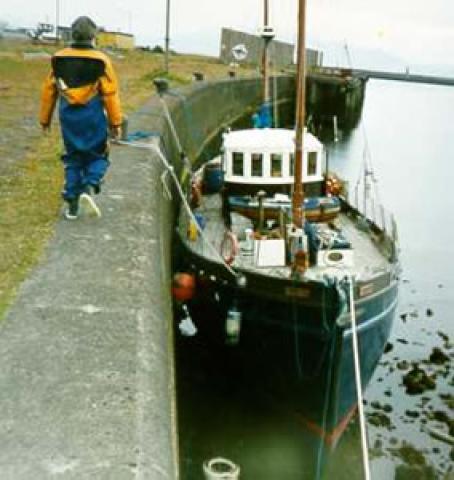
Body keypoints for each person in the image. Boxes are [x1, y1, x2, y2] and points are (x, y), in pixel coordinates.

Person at [39, 16, 123, 219]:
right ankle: (89, 185)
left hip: (68, 118)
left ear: (72, 34)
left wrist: (45, 120)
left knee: (73, 157)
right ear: (93, 36)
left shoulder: (58, 58)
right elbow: (111, 95)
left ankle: (72, 204)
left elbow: (49, 91)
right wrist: (115, 123)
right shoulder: (102, 60)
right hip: (92, 117)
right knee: (99, 154)